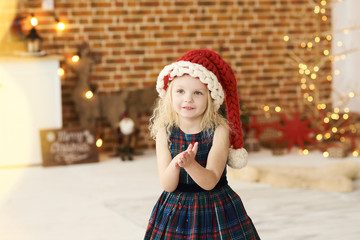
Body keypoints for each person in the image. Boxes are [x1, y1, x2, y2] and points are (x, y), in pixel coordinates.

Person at [144, 49, 260, 239]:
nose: (188, 98)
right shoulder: (165, 132)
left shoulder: (219, 131)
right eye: (180, 91)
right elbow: (167, 185)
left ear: (210, 98)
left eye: (197, 92)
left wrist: (190, 164)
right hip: (176, 210)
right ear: (170, 94)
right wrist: (176, 164)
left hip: (214, 208)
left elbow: (210, 181)